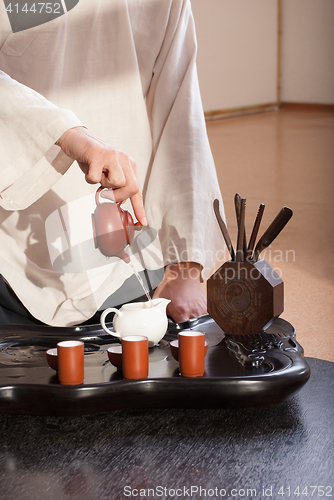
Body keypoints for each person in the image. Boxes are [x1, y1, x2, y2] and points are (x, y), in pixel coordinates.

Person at [0, 0, 225, 326]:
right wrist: (67, 134)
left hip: (125, 252)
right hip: (12, 243)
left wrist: (187, 270)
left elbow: (179, 114)